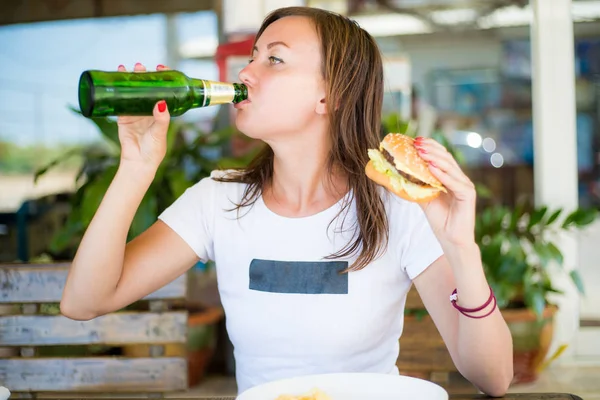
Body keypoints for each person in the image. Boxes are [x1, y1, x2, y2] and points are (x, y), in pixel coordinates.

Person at [60, 6, 513, 396]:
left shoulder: (397, 205)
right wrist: (137, 166)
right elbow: (83, 302)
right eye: (253, 56)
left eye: (274, 59)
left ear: (329, 95)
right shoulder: (218, 201)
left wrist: (462, 249)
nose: (246, 72)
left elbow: (492, 377)